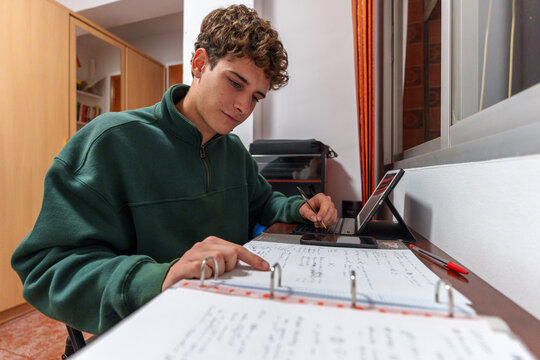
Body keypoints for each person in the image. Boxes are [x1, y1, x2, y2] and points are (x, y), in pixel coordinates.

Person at [11, 5, 337, 335]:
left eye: (255, 97)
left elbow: (263, 203)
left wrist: (300, 208)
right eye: (235, 83)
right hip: (146, 332)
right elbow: (45, 269)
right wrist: (160, 278)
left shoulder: (234, 151)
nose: (243, 107)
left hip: (228, 320)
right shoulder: (111, 141)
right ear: (198, 64)